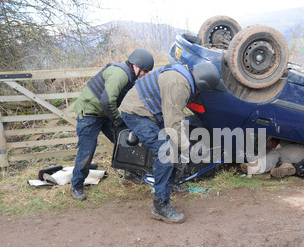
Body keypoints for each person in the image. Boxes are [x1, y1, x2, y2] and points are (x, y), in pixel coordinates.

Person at [118, 62, 220, 223]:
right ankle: (160, 204)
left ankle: (169, 183)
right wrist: (187, 149)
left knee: (172, 144)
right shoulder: (179, 85)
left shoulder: (184, 74)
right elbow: (173, 124)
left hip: (147, 110)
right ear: (200, 86)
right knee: (165, 152)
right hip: (136, 112)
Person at [70, 49, 155, 201]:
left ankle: (131, 173)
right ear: (135, 66)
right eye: (145, 71)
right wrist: (117, 119)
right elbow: (107, 101)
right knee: (87, 151)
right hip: (89, 113)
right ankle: (76, 185)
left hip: (104, 112)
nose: (146, 74)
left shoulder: (130, 77)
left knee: (126, 141)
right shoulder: (119, 74)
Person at [240, 139, 304, 178]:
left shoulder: (283, 143)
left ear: (271, 141)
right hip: (299, 156)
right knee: (274, 156)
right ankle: (286, 166)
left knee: (276, 154)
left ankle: (254, 167)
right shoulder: (271, 149)